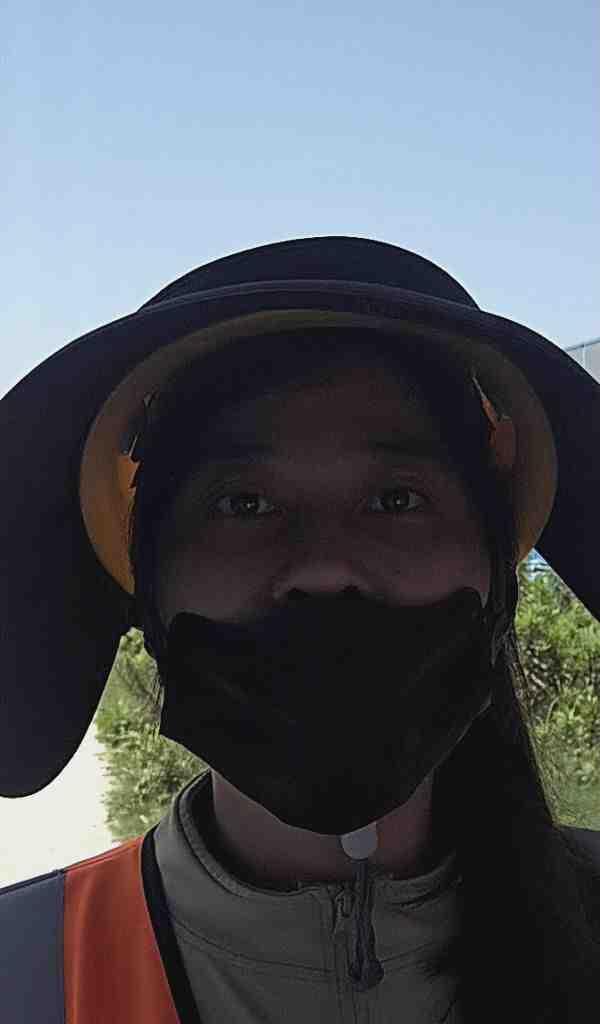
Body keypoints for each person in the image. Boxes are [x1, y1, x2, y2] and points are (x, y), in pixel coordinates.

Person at [0, 236, 599, 1022]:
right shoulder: (24, 973)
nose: (324, 567)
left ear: (495, 573)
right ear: (146, 587)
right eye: (243, 504)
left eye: (396, 499)